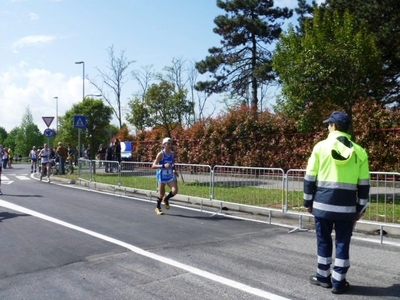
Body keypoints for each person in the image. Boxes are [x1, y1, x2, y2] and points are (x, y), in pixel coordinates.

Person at [304, 111, 370, 294]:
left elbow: (310, 177)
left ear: (333, 126)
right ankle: (339, 282)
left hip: (322, 205)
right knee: (343, 243)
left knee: (323, 241)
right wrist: (360, 208)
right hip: (347, 208)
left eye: (328, 124)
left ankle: (323, 277)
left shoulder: (320, 147)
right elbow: (364, 185)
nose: (327, 127)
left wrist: (307, 201)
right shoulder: (359, 151)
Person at [152, 137, 179, 215]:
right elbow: (153, 166)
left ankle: (166, 199)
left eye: (170, 143)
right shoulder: (161, 154)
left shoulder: (172, 153)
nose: (169, 145)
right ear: (164, 144)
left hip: (170, 175)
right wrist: (163, 166)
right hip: (162, 176)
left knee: (175, 191)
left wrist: (174, 170)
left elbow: (172, 163)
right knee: (161, 194)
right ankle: (157, 207)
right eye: (168, 143)